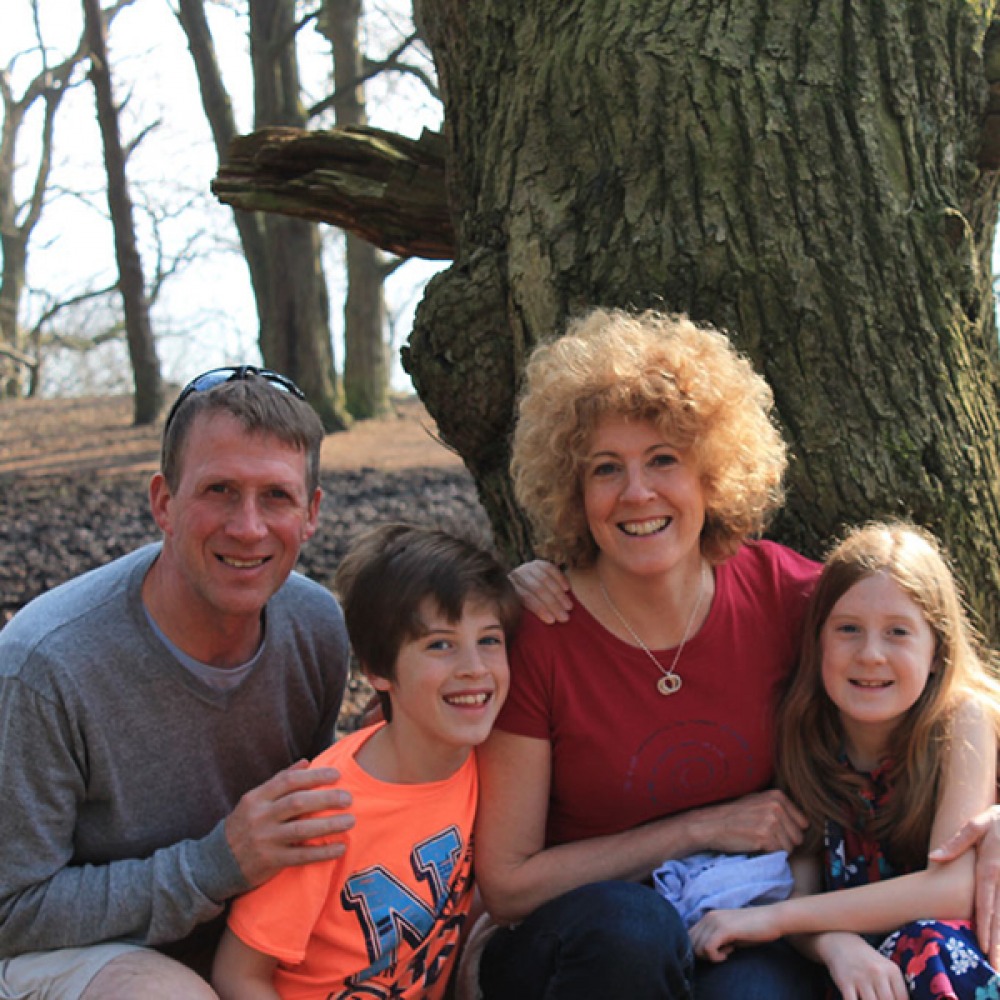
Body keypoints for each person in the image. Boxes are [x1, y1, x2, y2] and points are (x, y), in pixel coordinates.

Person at [473, 306, 826, 1000]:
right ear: (574, 491)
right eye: (607, 469)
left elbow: (939, 669)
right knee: (630, 934)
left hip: (734, 916)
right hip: (580, 942)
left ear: (710, 474)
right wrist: (696, 829)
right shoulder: (541, 629)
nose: (637, 494)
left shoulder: (779, 592)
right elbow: (508, 884)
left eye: (663, 460)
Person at [0, 366, 354, 1000]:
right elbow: (10, 909)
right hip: (73, 954)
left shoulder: (317, 625)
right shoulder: (44, 665)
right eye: (219, 490)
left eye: (275, 496)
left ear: (312, 513)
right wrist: (214, 865)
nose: (247, 527)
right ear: (163, 501)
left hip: (251, 935)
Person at [690, 521, 1000, 1000]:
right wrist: (834, 944)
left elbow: (951, 890)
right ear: (818, 642)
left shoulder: (962, 721)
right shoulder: (808, 734)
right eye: (848, 629)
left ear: (937, 651)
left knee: (930, 945)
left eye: (898, 632)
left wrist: (771, 918)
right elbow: (802, 884)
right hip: (862, 968)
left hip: (962, 957)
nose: (870, 654)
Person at [211, 522, 521, 1000]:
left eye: (489, 640)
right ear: (378, 670)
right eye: (439, 644)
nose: (473, 668)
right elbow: (239, 973)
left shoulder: (490, 761)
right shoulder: (324, 808)